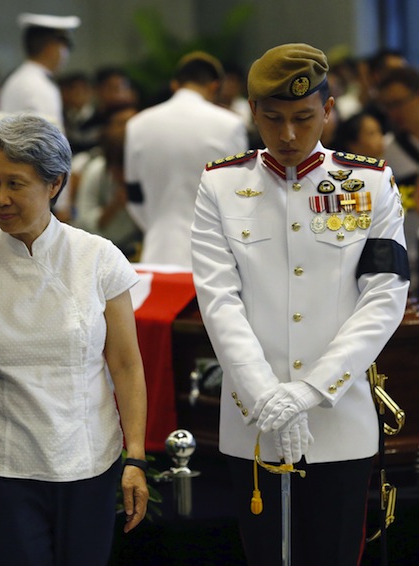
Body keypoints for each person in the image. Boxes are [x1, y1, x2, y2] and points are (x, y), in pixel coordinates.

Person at [191, 43, 409, 566]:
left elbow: (385, 293)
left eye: (304, 118)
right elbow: (218, 298)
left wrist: (311, 390)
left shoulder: (370, 183)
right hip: (253, 419)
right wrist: (267, 395)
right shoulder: (221, 185)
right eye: (273, 119)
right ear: (252, 112)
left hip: (339, 419)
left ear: (328, 112)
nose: (288, 135)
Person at [0, 113, 148, 566]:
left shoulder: (98, 258)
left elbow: (126, 365)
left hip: (89, 463)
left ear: (55, 185)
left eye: (16, 184)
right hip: (1, 469)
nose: (0, 198)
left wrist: (136, 458)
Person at [126, 51, 248, 268]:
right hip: (214, 255)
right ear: (214, 87)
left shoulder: (137, 125)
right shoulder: (230, 124)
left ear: (175, 85)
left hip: (158, 251)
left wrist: (155, 225)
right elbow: (239, 195)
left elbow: (134, 197)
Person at [75, 105, 142, 258]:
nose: (123, 175)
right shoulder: (96, 171)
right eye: (118, 169)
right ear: (109, 163)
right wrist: (113, 207)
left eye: (127, 168)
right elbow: (83, 222)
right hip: (100, 250)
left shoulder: (147, 173)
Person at [0, 13, 81, 128]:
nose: (66, 55)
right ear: (51, 47)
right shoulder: (38, 85)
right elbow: (49, 141)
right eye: (65, 48)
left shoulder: (18, 78)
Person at [378, 66, 419, 296]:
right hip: (408, 262)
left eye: (398, 103)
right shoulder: (386, 152)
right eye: (387, 106)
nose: (393, 113)